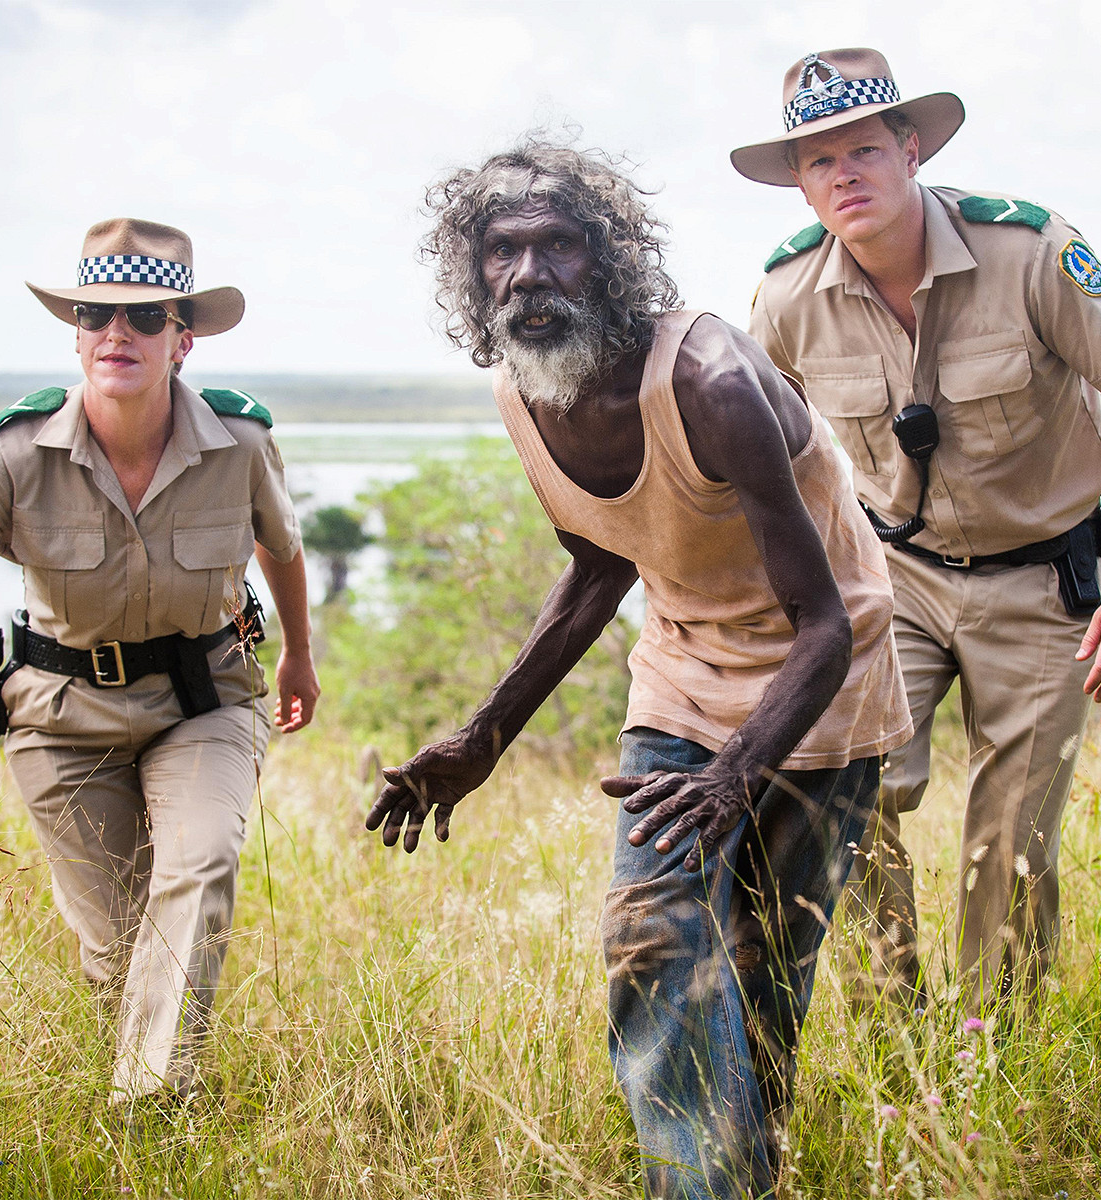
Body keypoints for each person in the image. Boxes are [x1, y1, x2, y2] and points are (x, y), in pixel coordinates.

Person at [366, 141, 911, 1199]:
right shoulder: (524, 392)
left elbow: (825, 625)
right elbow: (599, 560)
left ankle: (745, 1173)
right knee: (654, 939)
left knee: (762, 982)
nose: (528, 275)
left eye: (558, 246)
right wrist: (482, 737)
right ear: (471, 273)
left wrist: (733, 775)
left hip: (819, 689)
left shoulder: (710, 381)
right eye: (501, 252)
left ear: (608, 260)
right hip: (678, 675)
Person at [732, 48, 1101, 1011]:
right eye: (818, 161)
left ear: (912, 146)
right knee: (845, 789)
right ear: (802, 184)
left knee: (1011, 839)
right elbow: (769, 465)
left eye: (862, 148)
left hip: (1041, 579)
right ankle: (900, 1037)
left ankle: (991, 1052)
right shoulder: (783, 298)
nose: (843, 174)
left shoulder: (1030, 252)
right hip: (893, 577)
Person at [0, 218, 320, 1105]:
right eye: (96, 315)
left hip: (203, 697)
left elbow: (280, 545)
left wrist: (297, 659)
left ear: (183, 337)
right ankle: (136, 1082)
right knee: (120, 946)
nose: (116, 334)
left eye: (143, 316)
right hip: (60, 717)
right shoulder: (13, 455)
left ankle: (150, 1108)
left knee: (199, 866)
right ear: (78, 333)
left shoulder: (239, 444)